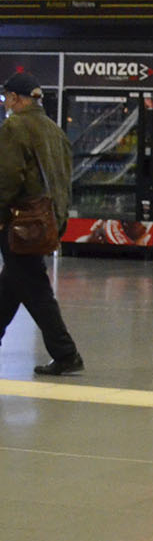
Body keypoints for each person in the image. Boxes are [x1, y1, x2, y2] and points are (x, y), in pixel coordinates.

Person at [0, 71, 83, 376]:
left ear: (18, 99)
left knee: (34, 288)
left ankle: (66, 353)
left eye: (7, 97)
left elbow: (7, 178)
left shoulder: (15, 127)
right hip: (47, 220)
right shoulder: (53, 129)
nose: (6, 103)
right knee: (12, 283)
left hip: (20, 223)